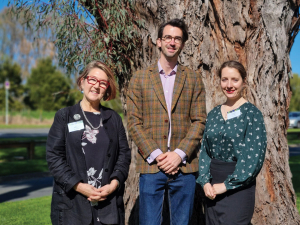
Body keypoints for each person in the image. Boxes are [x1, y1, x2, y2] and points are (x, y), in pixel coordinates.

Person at [127, 18, 206, 225]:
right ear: (159, 41)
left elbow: (199, 121)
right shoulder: (140, 78)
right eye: (168, 37)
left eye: (177, 38)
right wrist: (158, 155)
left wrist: (179, 155)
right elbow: (134, 123)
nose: (172, 42)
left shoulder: (194, 78)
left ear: (182, 43)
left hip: (184, 166)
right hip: (152, 165)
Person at [46, 61, 131, 225]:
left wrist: (114, 184)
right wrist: (78, 186)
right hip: (73, 206)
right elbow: (54, 157)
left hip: (108, 206)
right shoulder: (65, 116)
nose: (96, 86)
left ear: (107, 88)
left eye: (103, 83)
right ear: (82, 82)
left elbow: (124, 155)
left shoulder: (113, 119)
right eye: (92, 79)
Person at [196, 60, 267, 225]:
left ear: (243, 82)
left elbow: (253, 157)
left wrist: (227, 185)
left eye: (235, 79)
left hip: (239, 186)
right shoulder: (213, 114)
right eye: (224, 79)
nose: (229, 85)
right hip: (212, 188)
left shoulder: (252, 114)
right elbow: (205, 151)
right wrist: (205, 181)